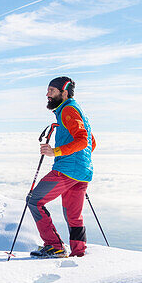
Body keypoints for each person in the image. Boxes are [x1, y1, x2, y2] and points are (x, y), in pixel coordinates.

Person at [28, 76, 95, 258]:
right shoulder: (77, 110)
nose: (47, 94)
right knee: (74, 216)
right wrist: (80, 163)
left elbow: (82, 141)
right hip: (82, 172)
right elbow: (91, 143)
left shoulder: (68, 111)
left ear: (64, 93)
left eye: (52, 91)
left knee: (34, 201)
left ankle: (54, 246)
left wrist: (55, 151)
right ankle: (78, 253)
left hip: (67, 170)